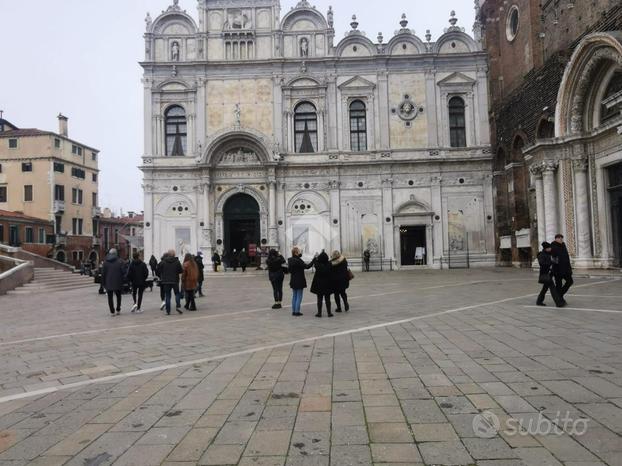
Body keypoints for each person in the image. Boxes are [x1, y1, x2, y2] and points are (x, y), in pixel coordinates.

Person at [537, 242, 565, 307]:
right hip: (544, 274)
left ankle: (539, 301)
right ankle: (558, 303)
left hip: (549, 274)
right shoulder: (541, 255)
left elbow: (555, 262)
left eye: (550, 247)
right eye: (549, 248)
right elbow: (542, 263)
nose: (550, 249)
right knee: (553, 288)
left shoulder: (550, 254)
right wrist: (551, 261)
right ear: (546, 249)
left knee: (544, 289)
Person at [288, 247, 314, 316]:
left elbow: (289, 270)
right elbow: (307, 266)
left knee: (294, 296)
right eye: (299, 252)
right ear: (296, 253)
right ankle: (297, 311)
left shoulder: (290, 260)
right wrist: (313, 260)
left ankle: (293, 311)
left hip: (293, 280)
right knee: (299, 296)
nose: (300, 253)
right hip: (299, 280)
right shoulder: (298, 260)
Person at [158, 249, 184, 315]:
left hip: (166, 281)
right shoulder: (177, 262)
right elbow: (181, 271)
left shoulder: (163, 262)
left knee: (168, 295)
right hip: (175, 280)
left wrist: (162, 275)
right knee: (177, 294)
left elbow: (159, 270)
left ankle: (168, 310)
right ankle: (178, 306)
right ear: (174, 254)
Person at [551, 233, 573, 302]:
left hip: (566, 269)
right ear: (556, 239)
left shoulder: (563, 245)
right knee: (558, 285)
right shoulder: (553, 246)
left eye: (561, 238)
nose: (561, 239)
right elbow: (553, 258)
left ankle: (559, 295)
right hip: (558, 270)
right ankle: (559, 299)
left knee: (570, 281)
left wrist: (569, 269)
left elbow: (567, 258)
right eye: (559, 238)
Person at [102, 248, 124, 316]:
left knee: (110, 297)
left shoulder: (105, 262)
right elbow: (123, 272)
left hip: (109, 282)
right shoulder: (120, 261)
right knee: (118, 296)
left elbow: (103, 274)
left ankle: (112, 311)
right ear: (116, 253)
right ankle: (118, 309)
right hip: (118, 281)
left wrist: (103, 283)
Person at [311, 251, 333, 318]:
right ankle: (329, 313)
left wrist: (316, 257)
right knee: (327, 299)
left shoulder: (317, 264)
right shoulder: (329, 264)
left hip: (319, 284)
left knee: (319, 298)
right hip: (327, 283)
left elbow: (314, 261)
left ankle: (319, 313)